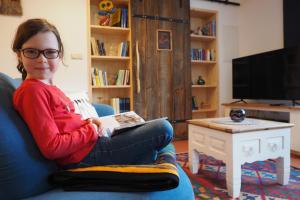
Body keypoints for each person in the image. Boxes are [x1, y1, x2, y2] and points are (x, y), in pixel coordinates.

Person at [12, 18, 173, 169]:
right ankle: (145, 161)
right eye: (32, 52)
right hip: (84, 156)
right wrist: (91, 130)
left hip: (91, 146)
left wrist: (90, 121)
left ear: (59, 55)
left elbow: (66, 124)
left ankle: (143, 160)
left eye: (50, 52)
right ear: (19, 54)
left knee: (137, 125)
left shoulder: (48, 86)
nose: (42, 60)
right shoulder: (32, 91)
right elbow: (52, 147)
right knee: (163, 128)